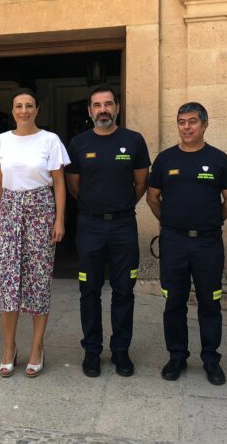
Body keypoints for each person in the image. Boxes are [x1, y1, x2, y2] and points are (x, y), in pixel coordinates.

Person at [148, 102, 227, 387]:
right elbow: (153, 198)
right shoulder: (165, 160)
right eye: (181, 122)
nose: (186, 127)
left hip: (208, 244)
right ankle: (177, 356)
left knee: (209, 303)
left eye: (192, 122)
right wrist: (172, 224)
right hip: (174, 242)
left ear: (204, 125)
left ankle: (211, 359)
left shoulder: (219, 159)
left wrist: (209, 222)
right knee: (173, 301)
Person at [65, 83, 150, 378]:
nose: (103, 109)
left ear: (117, 107)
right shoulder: (78, 143)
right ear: (90, 111)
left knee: (124, 290)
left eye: (108, 104)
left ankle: (121, 351)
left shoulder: (134, 141)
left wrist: (121, 206)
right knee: (89, 290)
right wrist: (94, 207)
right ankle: (91, 351)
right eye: (97, 105)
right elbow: (73, 185)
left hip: (124, 225)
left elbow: (141, 184)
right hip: (89, 226)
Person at [0, 88, 69, 377]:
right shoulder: (2, 140)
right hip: (10, 209)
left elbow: (59, 183)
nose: (24, 110)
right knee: (9, 281)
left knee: (38, 279)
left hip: (40, 209)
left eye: (29, 105)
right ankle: (9, 348)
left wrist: (59, 219)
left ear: (37, 110)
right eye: (19, 106)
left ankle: (37, 347)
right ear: (12, 111)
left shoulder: (50, 140)